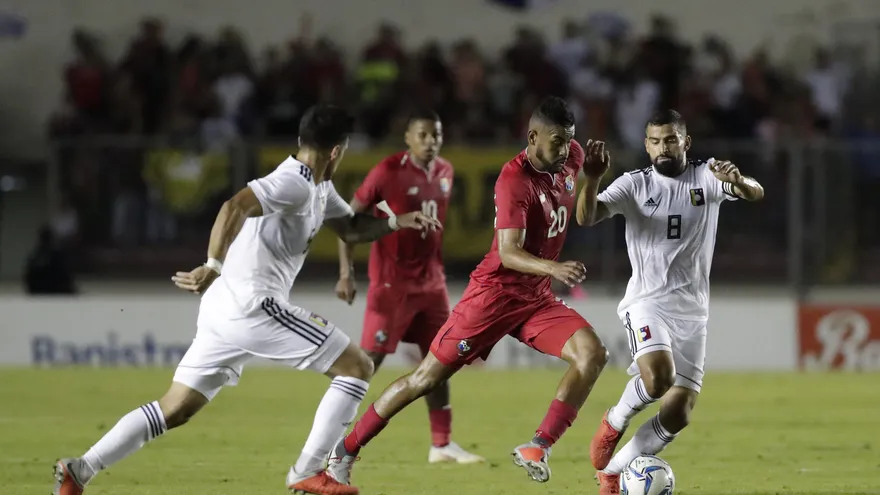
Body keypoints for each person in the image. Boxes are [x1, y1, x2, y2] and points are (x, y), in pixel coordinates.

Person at [53, 104, 441, 495]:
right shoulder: (293, 182)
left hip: (224, 311)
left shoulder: (319, 187)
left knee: (175, 408)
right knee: (356, 366)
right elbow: (234, 206)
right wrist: (212, 263)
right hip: (253, 306)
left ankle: (80, 469)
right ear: (337, 151)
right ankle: (307, 470)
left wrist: (395, 221)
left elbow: (352, 229)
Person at [322, 96, 611, 493]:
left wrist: (592, 179)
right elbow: (508, 252)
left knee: (592, 353)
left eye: (569, 141)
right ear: (532, 137)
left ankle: (538, 446)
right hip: (493, 296)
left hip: (535, 298)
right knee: (424, 379)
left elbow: (582, 215)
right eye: (557, 141)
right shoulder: (514, 180)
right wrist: (554, 267)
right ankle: (345, 452)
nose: (565, 150)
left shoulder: (574, 156)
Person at [576, 109, 764, 495]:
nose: (664, 147)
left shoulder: (707, 175)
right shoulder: (633, 184)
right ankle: (614, 420)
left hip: (693, 312)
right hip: (647, 303)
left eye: (671, 140)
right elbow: (585, 217)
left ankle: (613, 472)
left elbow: (756, 192)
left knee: (678, 412)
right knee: (658, 378)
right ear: (646, 145)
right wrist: (592, 177)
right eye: (656, 141)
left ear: (685, 142)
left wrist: (739, 181)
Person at [335, 109, 484, 464]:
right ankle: (335, 434)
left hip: (432, 284)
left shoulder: (446, 172)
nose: (431, 142)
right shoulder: (387, 171)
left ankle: (442, 444)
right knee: (369, 361)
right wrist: (346, 272)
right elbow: (348, 221)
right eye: (423, 135)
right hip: (392, 284)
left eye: (436, 135)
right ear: (407, 137)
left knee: (441, 359)